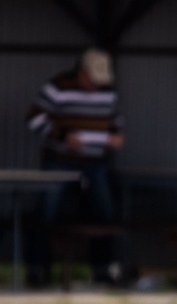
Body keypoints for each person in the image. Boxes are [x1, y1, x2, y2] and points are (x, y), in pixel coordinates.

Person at [26, 49, 125, 287]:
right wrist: (63, 136)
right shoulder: (57, 88)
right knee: (47, 213)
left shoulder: (108, 93)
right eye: (93, 80)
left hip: (95, 163)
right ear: (82, 73)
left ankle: (103, 270)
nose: (97, 86)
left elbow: (116, 121)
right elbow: (34, 118)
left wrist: (117, 137)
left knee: (103, 214)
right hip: (60, 161)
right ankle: (38, 269)